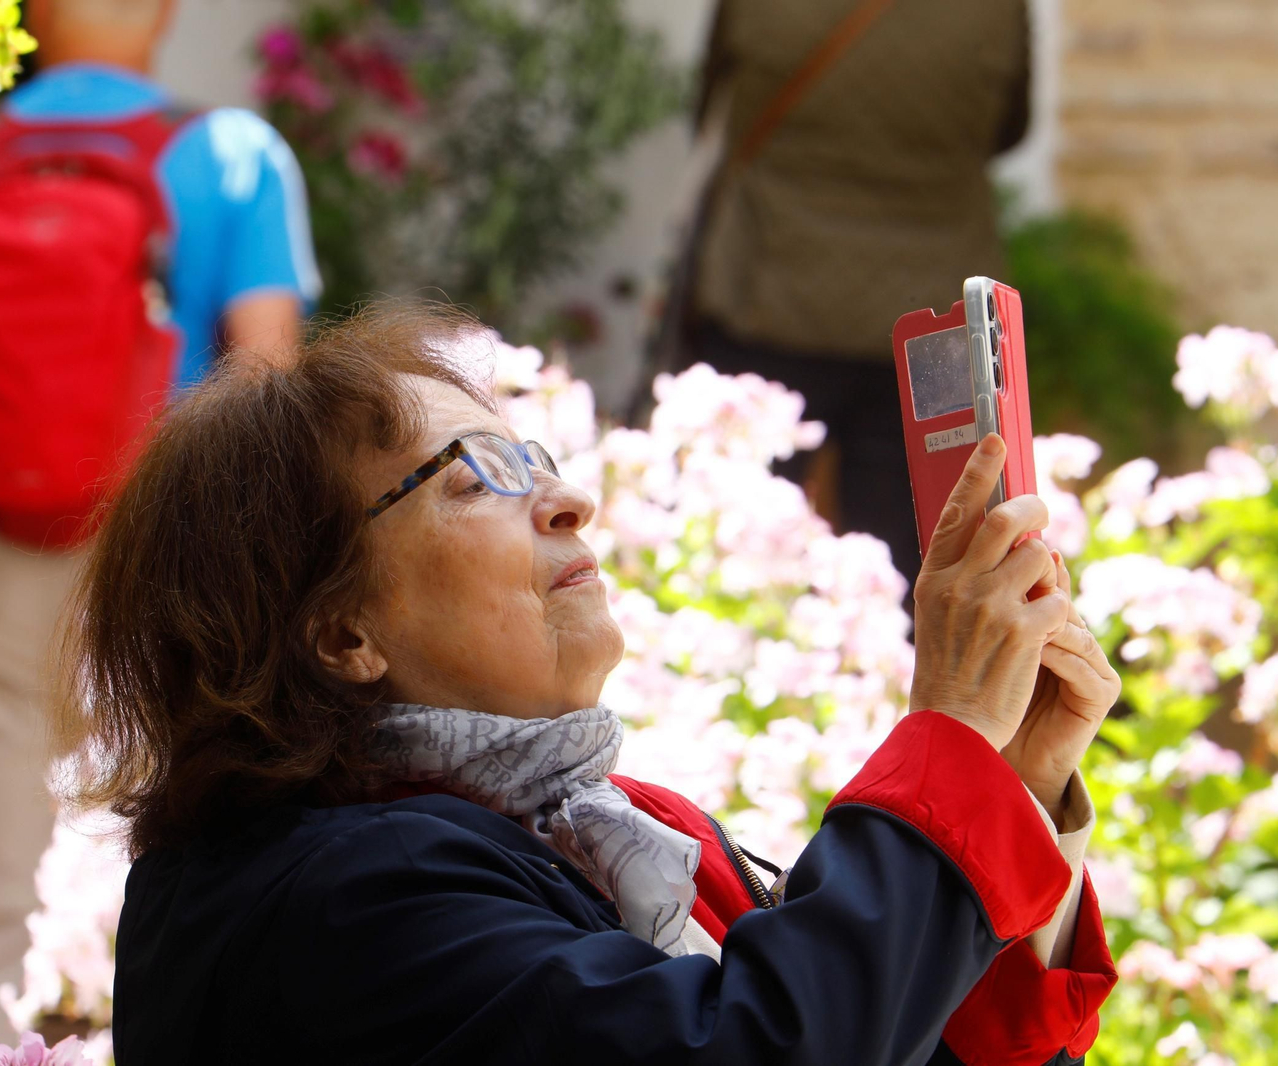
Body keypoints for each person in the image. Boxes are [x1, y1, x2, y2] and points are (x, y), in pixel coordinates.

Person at [55, 303, 1119, 1064]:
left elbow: (883, 1034)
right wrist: (947, 747)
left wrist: (1011, 784)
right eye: (481, 474)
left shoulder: (616, 829)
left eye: (539, 458)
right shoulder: (335, 902)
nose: (567, 500)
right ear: (339, 632)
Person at [0, 0, 320, 1034]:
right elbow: (267, 382)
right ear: (162, 11)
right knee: (185, 875)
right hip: (174, 567)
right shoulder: (233, 156)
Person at [661, 0, 1032, 586]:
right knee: (920, 557)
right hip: (933, 308)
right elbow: (1009, 128)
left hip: (772, 285)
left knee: (736, 543)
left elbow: (711, 101)